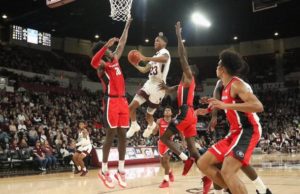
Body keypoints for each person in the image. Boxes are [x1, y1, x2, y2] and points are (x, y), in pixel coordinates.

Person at [197, 49, 264, 194]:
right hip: (234, 132)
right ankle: (231, 190)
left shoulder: (237, 84)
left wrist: (225, 105)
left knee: (227, 170)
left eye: (217, 65)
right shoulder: (224, 85)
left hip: (248, 130)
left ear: (222, 69)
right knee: (203, 163)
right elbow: (227, 105)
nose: (216, 68)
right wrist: (209, 109)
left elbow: (258, 106)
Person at [158, 21, 212, 194]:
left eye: (187, 68)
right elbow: (175, 88)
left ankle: (183, 158)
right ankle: (207, 177)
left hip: (185, 112)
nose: (184, 68)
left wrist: (179, 36)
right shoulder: (183, 83)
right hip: (191, 117)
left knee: (164, 139)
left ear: (190, 71)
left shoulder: (189, 76)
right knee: (194, 150)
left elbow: (182, 57)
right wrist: (166, 88)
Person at [90, 17, 132, 188]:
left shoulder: (114, 59)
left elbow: (122, 42)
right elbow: (93, 61)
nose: (110, 50)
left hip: (123, 101)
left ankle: (121, 170)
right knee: (110, 135)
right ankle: (104, 170)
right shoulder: (101, 66)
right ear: (102, 51)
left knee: (123, 136)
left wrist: (127, 25)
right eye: (106, 49)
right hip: (111, 102)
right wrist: (105, 46)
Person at [126, 32, 171, 138]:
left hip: (159, 87)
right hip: (149, 83)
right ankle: (134, 125)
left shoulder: (165, 52)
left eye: (157, 40)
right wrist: (135, 64)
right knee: (130, 107)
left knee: (148, 115)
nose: (155, 42)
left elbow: (164, 59)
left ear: (164, 43)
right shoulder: (155, 56)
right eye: (155, 40)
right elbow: (144, 70)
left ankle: (151, 125)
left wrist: (146, 58)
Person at [151, 106, 176, 188]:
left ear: (171, 113)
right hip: (161, 143)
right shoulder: (159, 121)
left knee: (166, 159)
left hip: (169, 143)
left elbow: (180, 130)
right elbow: (154, 133)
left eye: (169, 110)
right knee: (162, 163)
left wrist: (183, 140)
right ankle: (170, 171)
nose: (167, 111)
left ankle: (166, 181)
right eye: (166, 110)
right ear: (164, 113)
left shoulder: (174, 121)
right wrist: (154, 129)